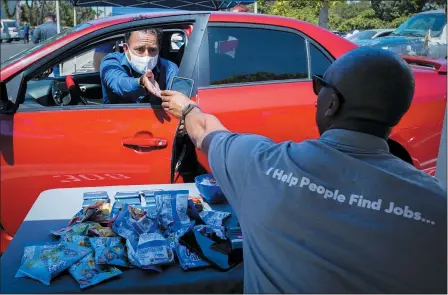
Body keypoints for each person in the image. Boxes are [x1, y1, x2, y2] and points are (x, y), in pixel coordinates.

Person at [159, 47, 447, 293]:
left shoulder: (262, 165)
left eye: (319, 85)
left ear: (332, 104)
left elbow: (206, 132)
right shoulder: (436, 205)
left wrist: (187, 109)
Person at [100, 28, 179, 104]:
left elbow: (177, 101)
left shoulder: (169, 68)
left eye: (152, 50)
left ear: (159, 49)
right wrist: (141, 81)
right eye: (139, 49)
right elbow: (119, 83)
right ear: (126, 48)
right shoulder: (111, 62)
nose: (146, 56)